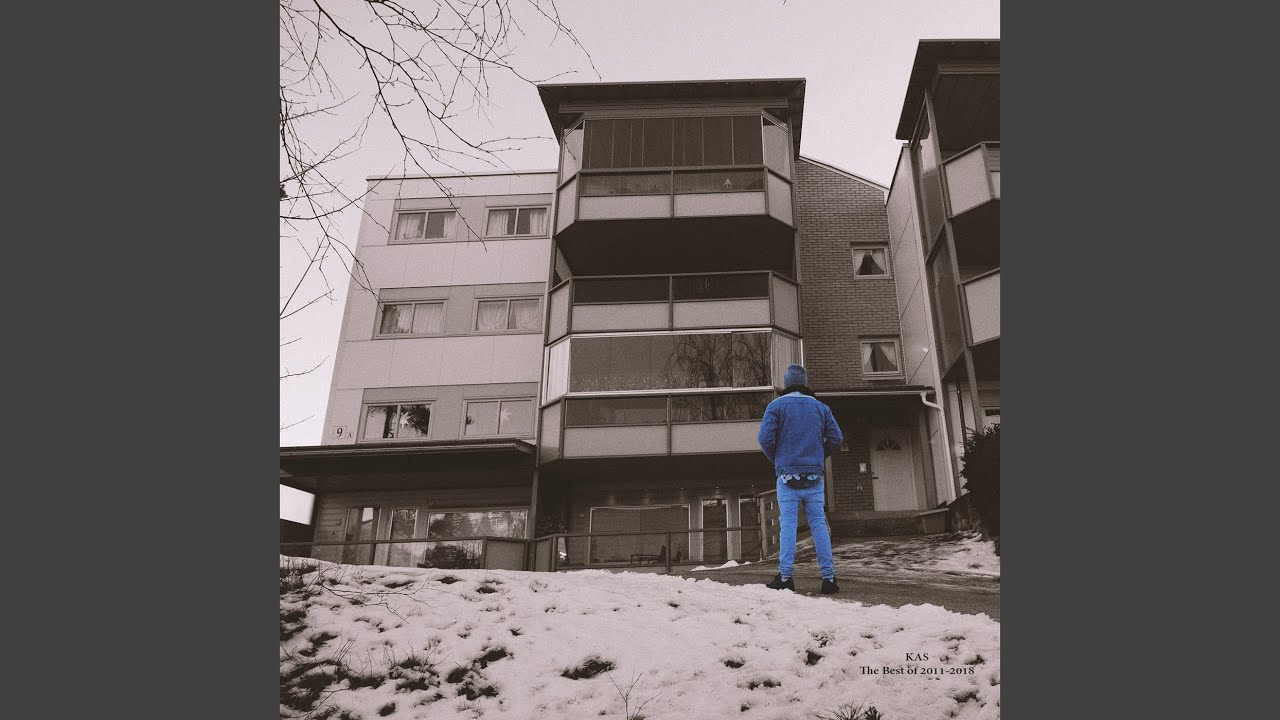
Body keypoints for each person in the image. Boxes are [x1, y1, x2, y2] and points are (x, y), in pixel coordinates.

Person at [757, 364, 843, 594]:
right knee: (819, 524)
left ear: (786, 383)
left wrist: (778, 460)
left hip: (787, 476)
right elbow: (836, 438)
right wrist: (818, 457)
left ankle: (786, 577)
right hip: (814, 476)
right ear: (805, 383)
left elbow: (765, 439)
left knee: (787, 524)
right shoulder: (821, 408)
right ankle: (829, 578)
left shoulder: (776, 406)